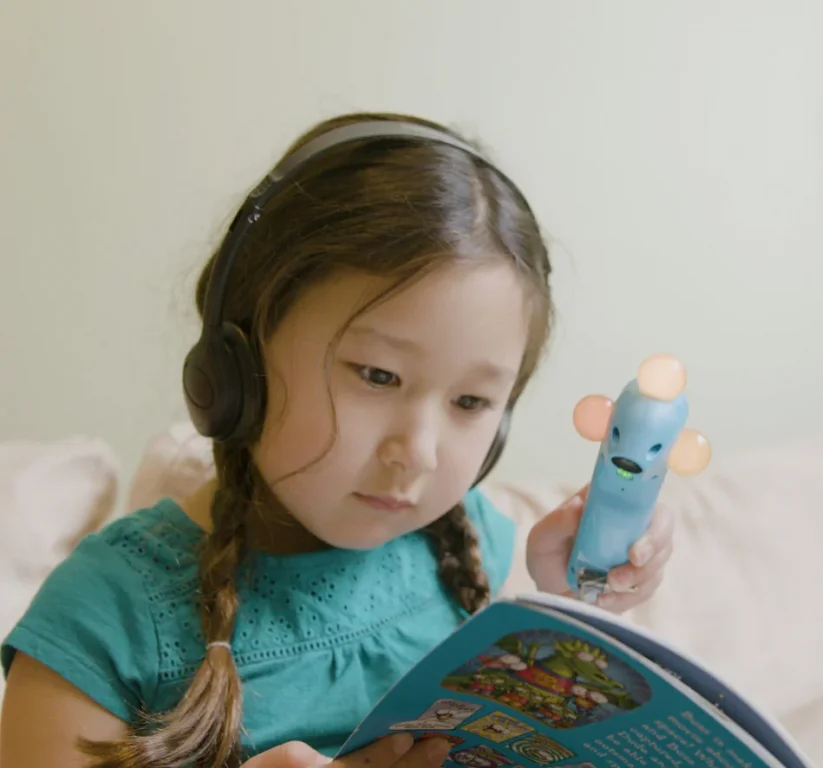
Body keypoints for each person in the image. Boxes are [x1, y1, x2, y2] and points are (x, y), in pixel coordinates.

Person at [0, 113, 675, 768]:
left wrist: (574, 601)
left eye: (471, 401)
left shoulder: (470, 549)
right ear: (238, 366)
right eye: (378, 375)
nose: (418, 451)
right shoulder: (104, 616)